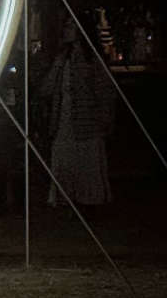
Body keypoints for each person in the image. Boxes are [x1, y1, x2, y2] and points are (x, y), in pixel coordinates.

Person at [40, 33, 116, 209]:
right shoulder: (62, 58)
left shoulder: (92, 60)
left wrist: (105, 116)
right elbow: (48, 87)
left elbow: (104, 90)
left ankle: (87, 200)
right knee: (65, 158)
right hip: (65, 117)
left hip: (87, 119)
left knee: (86, 160)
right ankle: (69, 199)